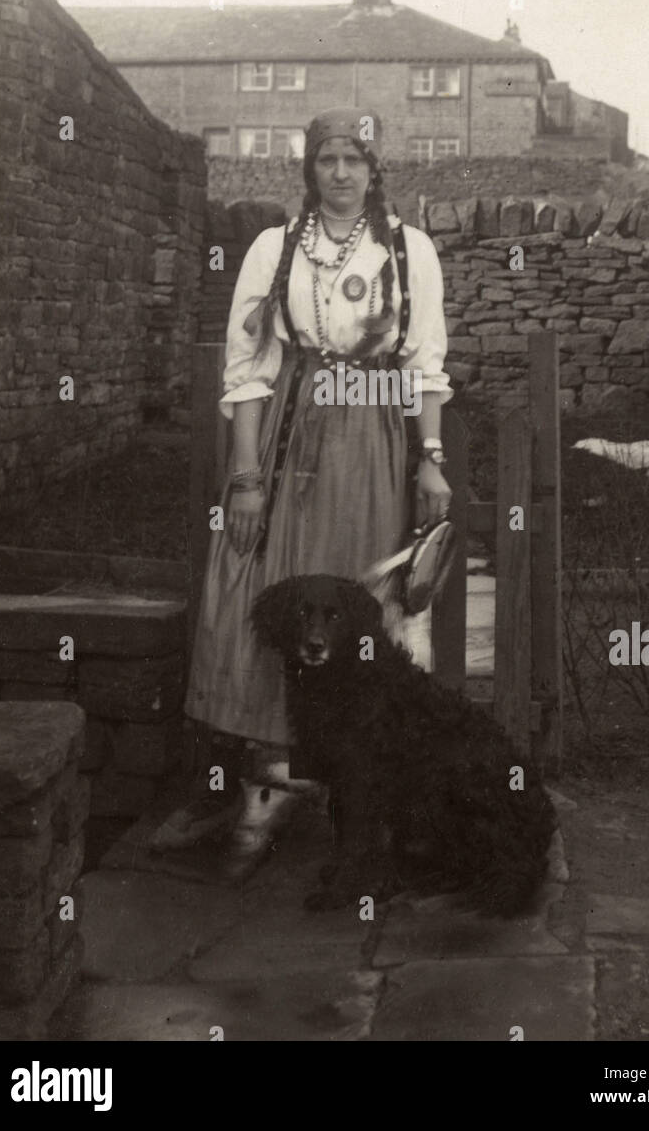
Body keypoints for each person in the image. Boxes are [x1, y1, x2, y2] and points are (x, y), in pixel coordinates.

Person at [152, 107, 452, 850]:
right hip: (288, 433)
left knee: (359, 608)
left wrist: (430, 459)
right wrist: (246, 476)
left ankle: (363, 796)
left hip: (373, 435)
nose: (342, 173)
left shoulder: (409, 251)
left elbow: (423, 367)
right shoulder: (273, 249)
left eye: (355, 160)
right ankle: (221, 780)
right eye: (328, 160)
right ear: (309, 168)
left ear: (375, 169)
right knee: (243, 590)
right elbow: (248, 367)